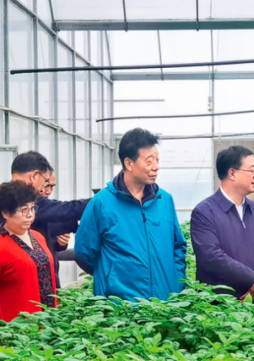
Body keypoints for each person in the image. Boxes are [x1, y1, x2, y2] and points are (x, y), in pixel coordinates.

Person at [75, 128, 187, 300]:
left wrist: (176, 284)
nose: (156, 167)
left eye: (157, 160)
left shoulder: (164, 200)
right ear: (129, 163)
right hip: (120, 307)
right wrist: (110, 278)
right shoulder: (102, 203)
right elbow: (84, 253)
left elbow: (178, 246)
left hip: (164, 306)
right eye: (149, 161)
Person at [190, 145, 254, 302]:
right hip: (221, 306)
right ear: (232, 173)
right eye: (251, 170)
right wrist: (252, 280)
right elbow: (211, 257)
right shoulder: (204, 212)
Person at [0, 182, 57, 321]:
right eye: (24, 210)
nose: (30, 215)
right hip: (16, 326)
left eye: (32, 208)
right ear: (6, 213)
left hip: (48, 321)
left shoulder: (38, 237)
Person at [0, 151, 89, 237]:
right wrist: (97, 201)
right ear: (34, 176)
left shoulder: (3, 196)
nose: (42, 190)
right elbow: (67, 209)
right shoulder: (22, 197)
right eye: (45, 182)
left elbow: (46, 224)